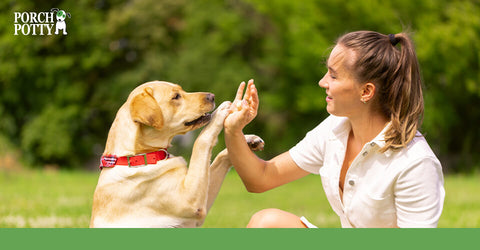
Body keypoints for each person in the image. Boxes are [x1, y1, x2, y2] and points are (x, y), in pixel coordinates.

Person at [224, 31, 445, 228]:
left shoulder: (415, 163)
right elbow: (261, 178)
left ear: (366, 91)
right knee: (267, 224)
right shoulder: (334, 129)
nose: (322, 82)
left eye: (334, 75)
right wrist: (234, 131)